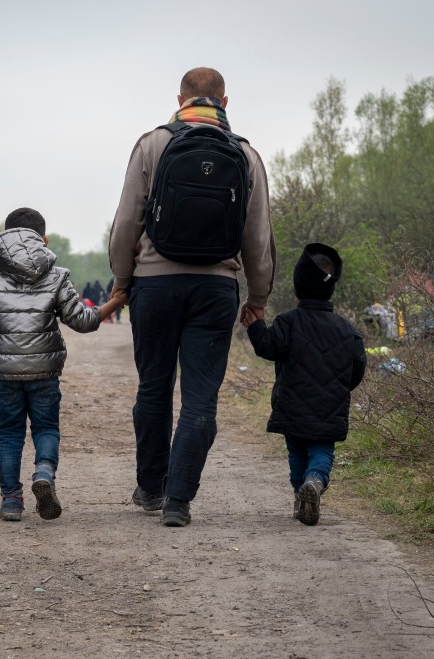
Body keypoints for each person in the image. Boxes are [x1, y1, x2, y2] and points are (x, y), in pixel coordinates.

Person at [109, 67, 275, 527]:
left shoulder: (152, 144)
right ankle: (179, 500)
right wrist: (258, 296)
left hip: (155, 284)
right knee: (201, 399)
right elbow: (257, 235)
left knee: (154, 387)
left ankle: (151, 487)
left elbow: (127, 221)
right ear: (225, 100)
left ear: (180, 98)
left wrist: (123, 279)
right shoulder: (245, 154)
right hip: (215, 289)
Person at [0, 208, 126, 521]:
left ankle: (11, 501)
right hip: (45, 371)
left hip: (5, 374)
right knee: (46, 428)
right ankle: (43, 473)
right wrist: (117, 302)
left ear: (4, 237)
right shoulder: (57, 276)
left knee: (10, 434)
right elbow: (81, 321)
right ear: (44, 239)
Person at [244, 243, 367, 526]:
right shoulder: (348, 330)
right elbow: (358, 368)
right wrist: (339, 388)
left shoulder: (288, 322)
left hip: (292, 405)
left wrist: (255, 325)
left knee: (296, 452)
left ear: (298, 288)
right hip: (329, 407)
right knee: (321, 451)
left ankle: (301, 495)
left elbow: (267, 347)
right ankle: (314, 482)